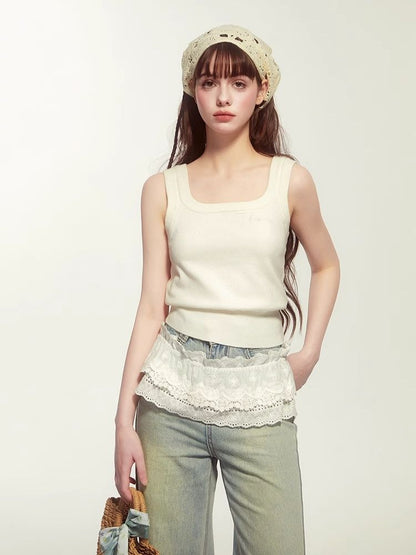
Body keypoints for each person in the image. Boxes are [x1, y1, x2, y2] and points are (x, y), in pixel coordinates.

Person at [114, 24, 340, 555]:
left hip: (258, 393)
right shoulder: (162, 189)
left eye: (238, 83)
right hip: (170, 396)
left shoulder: (290, 180)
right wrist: (124, 421)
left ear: (262, 91)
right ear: (192, 91)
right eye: (209, 82)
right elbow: (150, 308)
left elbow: (327, 265)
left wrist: (309, 352)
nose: (222, 97)